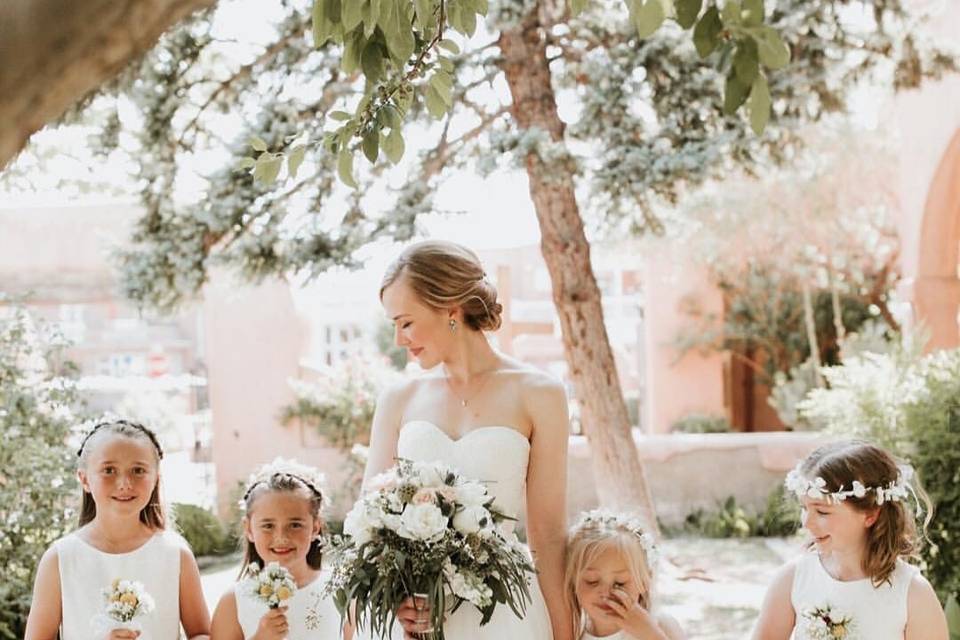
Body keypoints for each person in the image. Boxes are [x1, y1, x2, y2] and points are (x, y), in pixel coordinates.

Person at [363, 240, 572, 640]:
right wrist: (396, 601)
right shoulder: (397, 399)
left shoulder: (540, 394)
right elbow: (370, 527)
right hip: (419, 618)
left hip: (507, 615)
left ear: (451, 310)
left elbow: (547, 535)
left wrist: (564, 635)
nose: (398, 340)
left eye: (405, 322)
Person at [24, 418, 210, 640]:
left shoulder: (175, 554)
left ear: (156, 479)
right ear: (84, 480)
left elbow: (201, 633)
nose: (124, 483)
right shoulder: (60, 559)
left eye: (138, 470)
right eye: (109, 470)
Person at [751, 440, 948, 639]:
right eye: (804, 508)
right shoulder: (793, 580)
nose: (807, 523)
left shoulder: (913, 595)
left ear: (870, 514)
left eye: (822, 512)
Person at [211, 458, 349, 640]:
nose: (281, 537)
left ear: (315, 527)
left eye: (295, 525)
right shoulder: (233, 602)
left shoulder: (341, 591)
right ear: (249, 529)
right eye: (268, 525)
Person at [564, 510, 684, 640]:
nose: (605, 593)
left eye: (620, 583)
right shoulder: (573, 632)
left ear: (645, 581)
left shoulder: (661, 624)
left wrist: (650, 634)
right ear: (573, 580)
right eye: (592, 581)